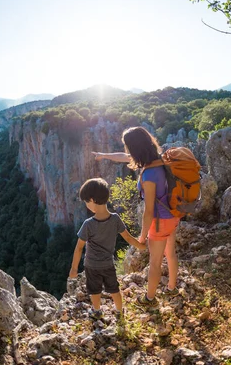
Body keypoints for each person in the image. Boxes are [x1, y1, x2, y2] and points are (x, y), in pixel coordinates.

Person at [93, 126, 181, 308]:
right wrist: (104, 155)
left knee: (155, 263)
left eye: (127, 146)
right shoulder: (159, 159)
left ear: (135, 148)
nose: (126, 150)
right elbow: (124, 158)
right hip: (173, 215)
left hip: (159, 222)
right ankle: (172, 287)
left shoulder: (149, 175)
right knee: (170, 254)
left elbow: (149, 211)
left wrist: (142, 237)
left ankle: (149, 299)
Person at [69, 177, 146, 320]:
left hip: (91, 265)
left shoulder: (88, 224)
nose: (86, 205)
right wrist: (142, 246)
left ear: (92, 200)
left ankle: (97, 311)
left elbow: (79, 248)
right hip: (108, 264)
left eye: (86, 202)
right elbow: (128, 238)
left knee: (94, 290)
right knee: (114, 289)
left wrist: (74, 269)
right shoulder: (115, 219)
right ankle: (119, 311)